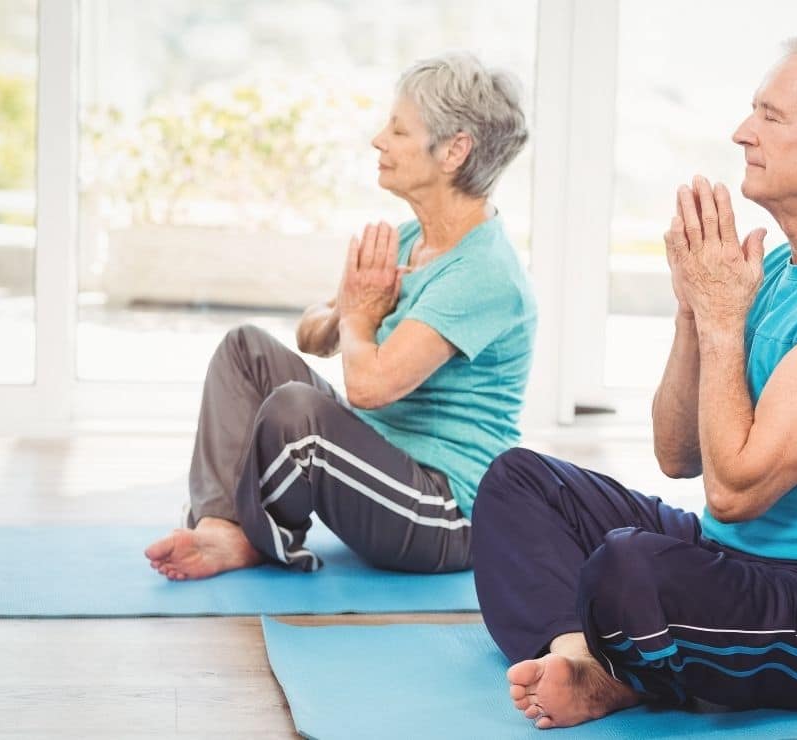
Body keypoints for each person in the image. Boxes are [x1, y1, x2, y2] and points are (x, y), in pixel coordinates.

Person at [472, 35, 797, 728]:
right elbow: (679, 455)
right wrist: (695, 312)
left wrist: (726, 318)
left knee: (627, 567)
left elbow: (734, 491)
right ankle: (586, 660)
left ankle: (622, 664)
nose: (742, 133)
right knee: (518, 482)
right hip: (736, 561)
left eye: (771, 116)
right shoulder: (781, 271)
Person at [144, 52, 536, 579]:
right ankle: (221, 526)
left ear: (454, 150)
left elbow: (369, 387)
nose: (379, 140)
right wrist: (349, 312)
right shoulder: (408, 240)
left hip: (444, 514)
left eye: (398, 130)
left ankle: (259, 538)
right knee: (245, 349)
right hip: (380, 468)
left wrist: (358, 318)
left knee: (297, 415)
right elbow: (315, 333)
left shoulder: (484, 272)